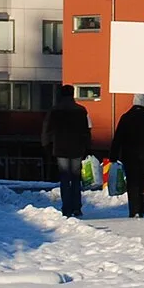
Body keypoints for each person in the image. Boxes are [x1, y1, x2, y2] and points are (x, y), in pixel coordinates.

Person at [40, 85, 92, 218]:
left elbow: (47, 129)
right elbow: (87, 130)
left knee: (64, 178)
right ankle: (76, 207)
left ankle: (66, 208)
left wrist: (46, 146)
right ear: (73, 94)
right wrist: (88, 147)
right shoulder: (81, 110)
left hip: (60, 148)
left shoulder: (54, 110)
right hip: (77, 148)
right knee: (75, 178)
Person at [110, 96, 144, 218]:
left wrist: (113, 156)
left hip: (129, 154)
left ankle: (133, 209)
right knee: (142, 180)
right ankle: (142, 208)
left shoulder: (126, 118)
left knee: (132, 182)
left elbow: (118, 137)